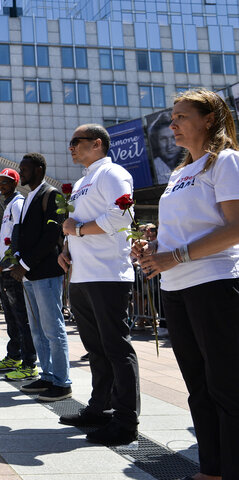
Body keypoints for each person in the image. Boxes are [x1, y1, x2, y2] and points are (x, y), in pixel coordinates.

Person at [135, 89, 239, 480]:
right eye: (172, 117)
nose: (173, 123)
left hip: (214, 284)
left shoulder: (224, 162)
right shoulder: (180, 172)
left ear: (209, 119)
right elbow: (181, 231)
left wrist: (174, 256)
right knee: (198, 385)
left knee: (226, 386)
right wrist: (154, 246)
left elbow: (236, 228)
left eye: (181, 116)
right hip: (175, 289)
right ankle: (211, 470)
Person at [57, 124, 140, 446]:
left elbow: (122, 216)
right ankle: (99, 407)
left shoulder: (112, 173)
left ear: (96, 143)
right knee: (96, 350)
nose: (71, 148)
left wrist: (76, 232)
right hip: (82, 275)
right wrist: (67, 248)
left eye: (75, 142)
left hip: (108, 275)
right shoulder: (81, 181)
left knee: (117, 349)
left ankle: (125, 421)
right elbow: (74, 224)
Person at [9, 153, 73, 402]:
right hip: (29, 274)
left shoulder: (52, 194)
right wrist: (18, 259)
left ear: (39, 169)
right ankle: (47, 376)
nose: (21, 172)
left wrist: (24, 264)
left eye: (24, 168)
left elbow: (51, 234)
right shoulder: (27, 198)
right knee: (37, 329)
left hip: (45, 272)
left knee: (53, 328)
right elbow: (21, 233)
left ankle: (62, 381)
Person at [0, 168, 38, 381]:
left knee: (21, 318)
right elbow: (5, 240)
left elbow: (18, 237)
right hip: (5, 270)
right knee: (11, 318)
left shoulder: (17, 204)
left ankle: (29, 363)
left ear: (15, 183)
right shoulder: (8, 205)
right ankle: (14, 355)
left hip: (13, 271)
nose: (1, 185)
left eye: (5, 182)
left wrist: (6, 264)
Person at [147, 110, 183, 185]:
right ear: (155, 141)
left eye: (173, 137)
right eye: (163, 139)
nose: (169, 144)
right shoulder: (151, 169)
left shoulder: (193, 162)